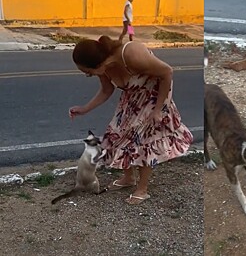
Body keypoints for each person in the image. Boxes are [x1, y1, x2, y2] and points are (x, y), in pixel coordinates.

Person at [69, 36, 194, 205]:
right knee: (116, 135)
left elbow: (167, 72)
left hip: (154, 96)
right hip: (132, 98)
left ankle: (142, 190)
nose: (88, 75)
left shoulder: (131, 54)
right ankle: (128, 179)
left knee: (143, 142)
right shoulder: (104, 68)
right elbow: (106, 90)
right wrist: (85, 109)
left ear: (97, 63)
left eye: (88, 73)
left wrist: (158, 110)